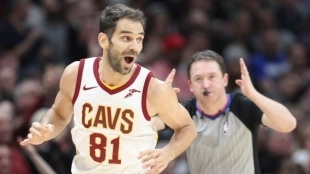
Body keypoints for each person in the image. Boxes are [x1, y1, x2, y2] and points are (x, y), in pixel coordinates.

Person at [20, 4, 197, 174]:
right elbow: (59, 114)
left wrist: (168, 153)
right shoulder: (76, 74)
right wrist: (45, 127)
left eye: (139, 39)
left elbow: (188, 127)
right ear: (104, 40)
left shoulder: (153, 89)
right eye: (126, 38)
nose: (134, 46)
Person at [164, 50, 296, 174]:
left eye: (212, 77)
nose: (206, 84)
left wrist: (254, 95)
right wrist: (160, 102)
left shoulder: (241, 105)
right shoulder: (186, 110)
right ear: (190, 85)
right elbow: (153, 123)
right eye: (198, 79)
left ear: (224, 79)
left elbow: (288, 124)